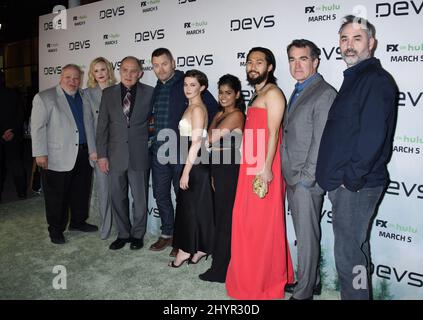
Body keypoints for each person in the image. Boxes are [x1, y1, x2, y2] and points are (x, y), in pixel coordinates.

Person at [316, 15, 397, 300]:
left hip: (357, 186)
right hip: (348, 183)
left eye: (357, 38)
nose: (349, 45)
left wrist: (350, 181)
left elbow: (372, 138)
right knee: (354, 252)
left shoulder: (375, 81)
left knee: (350, 256)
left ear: (371, 43)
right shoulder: (355, 78)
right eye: (344, 39)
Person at [226, 47, 294, 299]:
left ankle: (264, 280)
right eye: (249, 62)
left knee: (261, 226)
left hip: (264, 166)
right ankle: (253, 275)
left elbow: (274, 133)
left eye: (259, 62)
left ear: (270, 67)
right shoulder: (258, 95)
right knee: (247, 222)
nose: (252, 66)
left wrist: (265, 169)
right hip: (250, 164)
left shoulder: (273, 93)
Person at [281, 39, 337, 300]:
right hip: (293, 175)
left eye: (303, 58)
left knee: (306, 236)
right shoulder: (299, 89)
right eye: (292, 59)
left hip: (306, 178)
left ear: (315, 61)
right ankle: (310, 281)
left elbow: (322, 141)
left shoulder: (324, 92)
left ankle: (303, 293)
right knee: (305, 235)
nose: (297, 64)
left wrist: (306, 178)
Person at [149, 48, 218, 256]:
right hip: (159, 150)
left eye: (164, 63)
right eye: (155, 65)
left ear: (173, 63)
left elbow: (213, 111)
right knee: (160, 193)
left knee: (183, 195)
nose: (160, 69)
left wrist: (207, 141)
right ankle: (167, 233)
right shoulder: (157, 87)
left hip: (181, 150)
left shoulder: (187, 83)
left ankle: (182, 239)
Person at [31, 64, 98, 244]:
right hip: (57, 155)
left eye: (76, 78)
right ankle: (56, 230)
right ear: (61, 77)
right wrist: (40, 153)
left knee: (81, 191)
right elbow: (37, 128)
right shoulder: (45, 97)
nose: (72, 81)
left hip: (83, 153)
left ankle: (78, 221)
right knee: (56, 196)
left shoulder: (83, 96)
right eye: (68, 77)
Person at [96, 56, 154, 251]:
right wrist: (102, 155)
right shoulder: (108, 94)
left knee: (140, 200)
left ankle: (138, 234)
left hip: (139, 155)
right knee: (117, 197)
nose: (129, 74)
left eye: (133, 71)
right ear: (120, 72)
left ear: (140, 73)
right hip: (114, 156)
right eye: (125, 70)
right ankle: (123, 234)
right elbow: (102, 127)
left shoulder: (150, 93)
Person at [199, 74, 245, 283]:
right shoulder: (218, 114)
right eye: (221, 92)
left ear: (236, 94)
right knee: (220, 219)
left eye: (228, 93)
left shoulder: (237, 115)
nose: (224, 96)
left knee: (226, 221)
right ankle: (220, 262)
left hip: (231, 171)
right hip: (218, 168)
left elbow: (209, 139)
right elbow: (209, 144)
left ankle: (221, 270)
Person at [169, 69, 214, 267]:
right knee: (194, 209)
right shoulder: (192, 106)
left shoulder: (197, 109)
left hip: (196, 162)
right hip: (194, 160)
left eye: (193, 85)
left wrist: (185, 172)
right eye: (185, 84)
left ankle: (185, 251)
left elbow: (196, 142)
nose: (187, 88)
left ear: (202, 87)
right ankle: (200, 249)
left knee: (189, 209)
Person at [84, 57, 117, 240]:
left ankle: (121, 225)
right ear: (92, 74)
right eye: (96, 71)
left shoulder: (118, 90)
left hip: (118, 147)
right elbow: (88, 123)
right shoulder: (88, 94)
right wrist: (93, 150)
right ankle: (105, 226)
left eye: (103, 69)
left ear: (109, 71)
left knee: (119, 189)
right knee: (104, 190)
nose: (100, 74)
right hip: (99, 148)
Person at [0, 71, 27, 202]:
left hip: (4, 136)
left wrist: (2, 135)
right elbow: (21, 114)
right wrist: (13, 131)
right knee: (17, 164)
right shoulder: (13, 94)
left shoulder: (13, 94)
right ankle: (22, 193)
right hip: (14, 135)